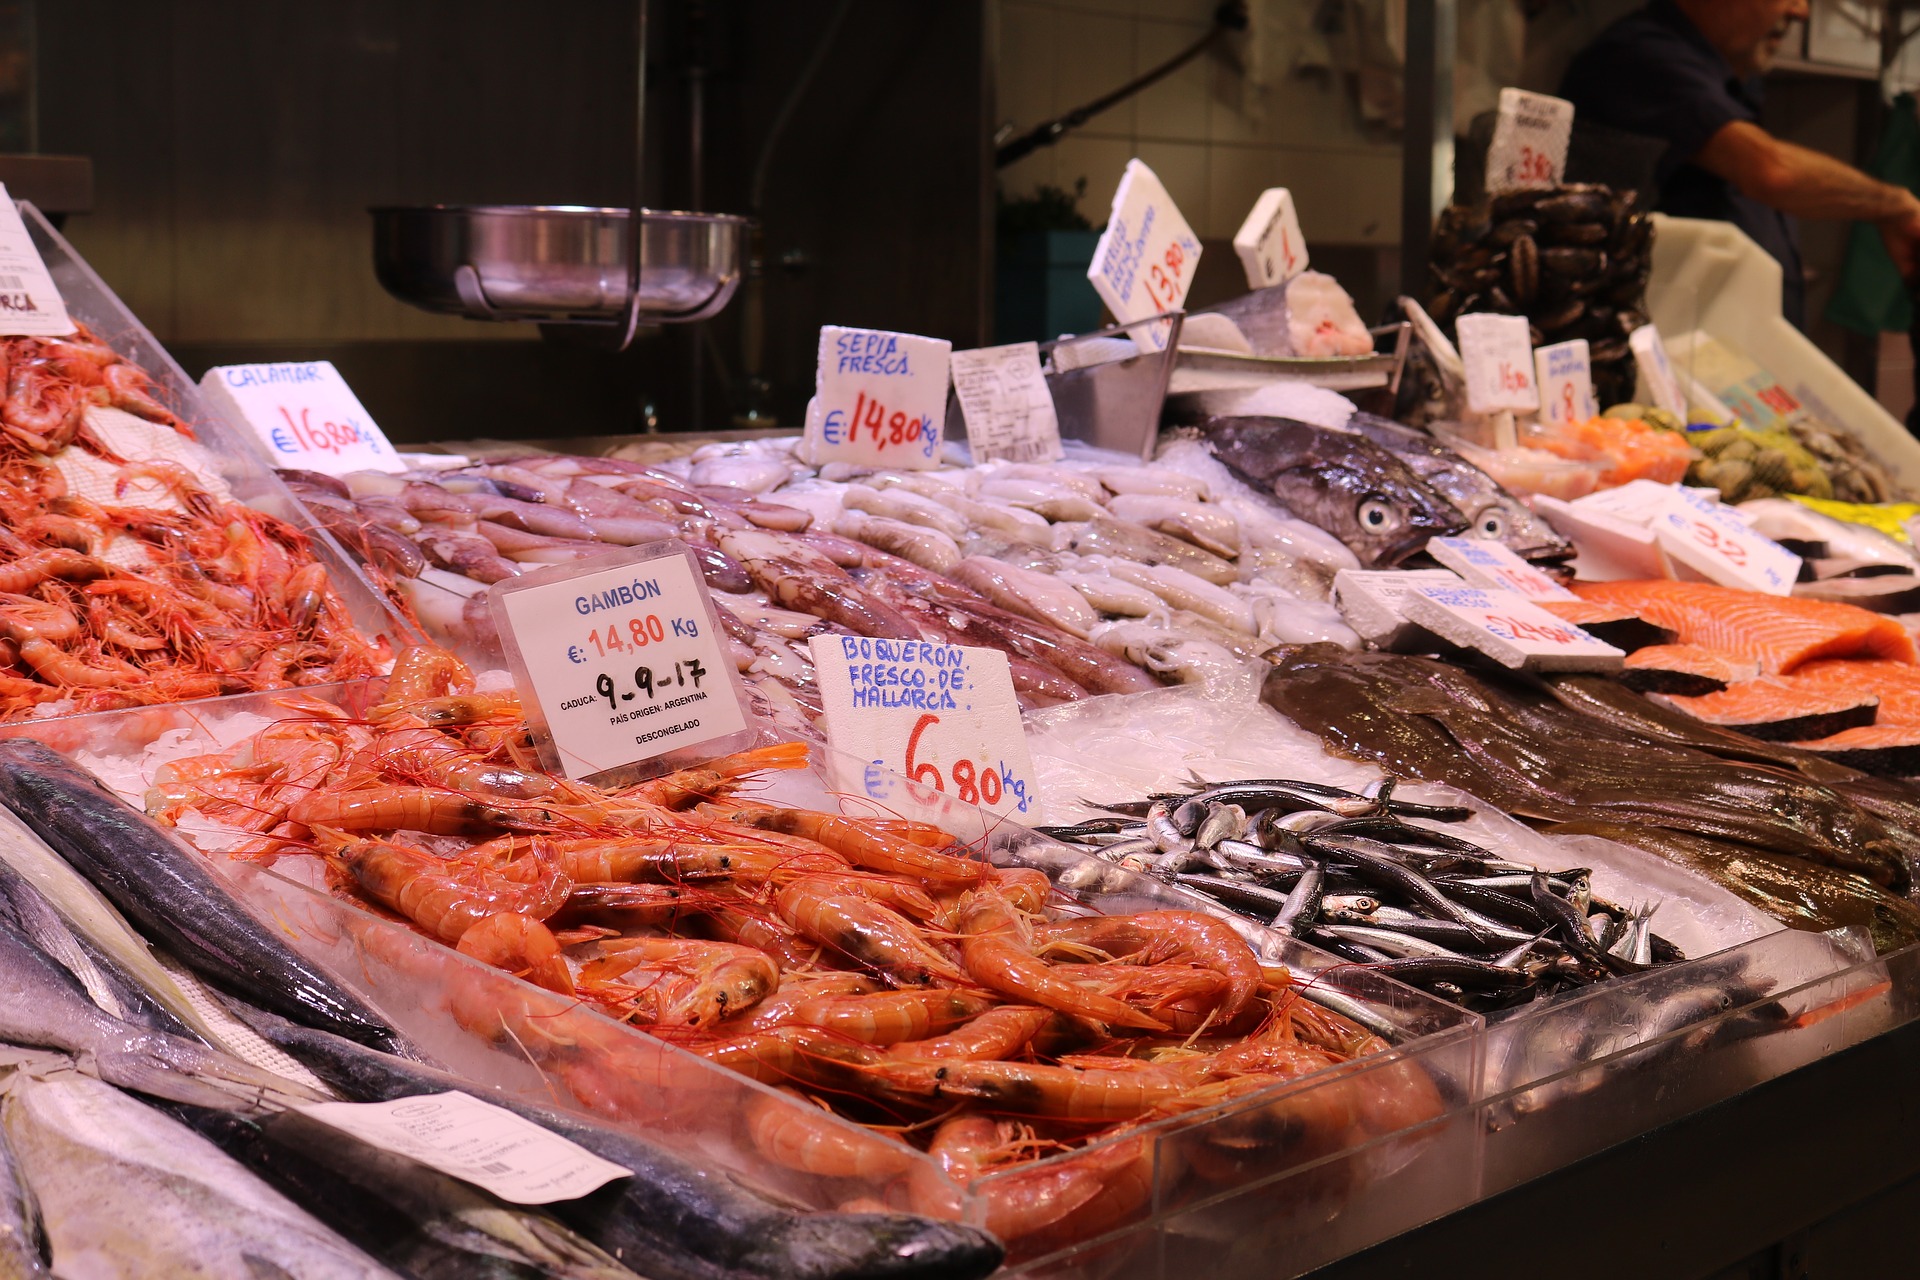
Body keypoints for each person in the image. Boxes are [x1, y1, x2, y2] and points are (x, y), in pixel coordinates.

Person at [1561, 0, 1920, 329]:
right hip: (1662, 342)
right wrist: (1895, 206)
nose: (1801, 11)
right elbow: (1773, 172)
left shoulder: (1731, 79)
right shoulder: (1639, 55)